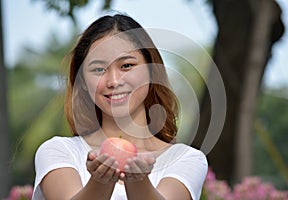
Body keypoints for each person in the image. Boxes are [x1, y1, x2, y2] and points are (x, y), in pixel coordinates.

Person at [32, 13, 208, 200]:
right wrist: (100, 182)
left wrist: (139, 182)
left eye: (126, 66)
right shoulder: (59, 151)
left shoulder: (186, 159)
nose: (114, 81)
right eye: (99, 69)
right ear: (82, 81)